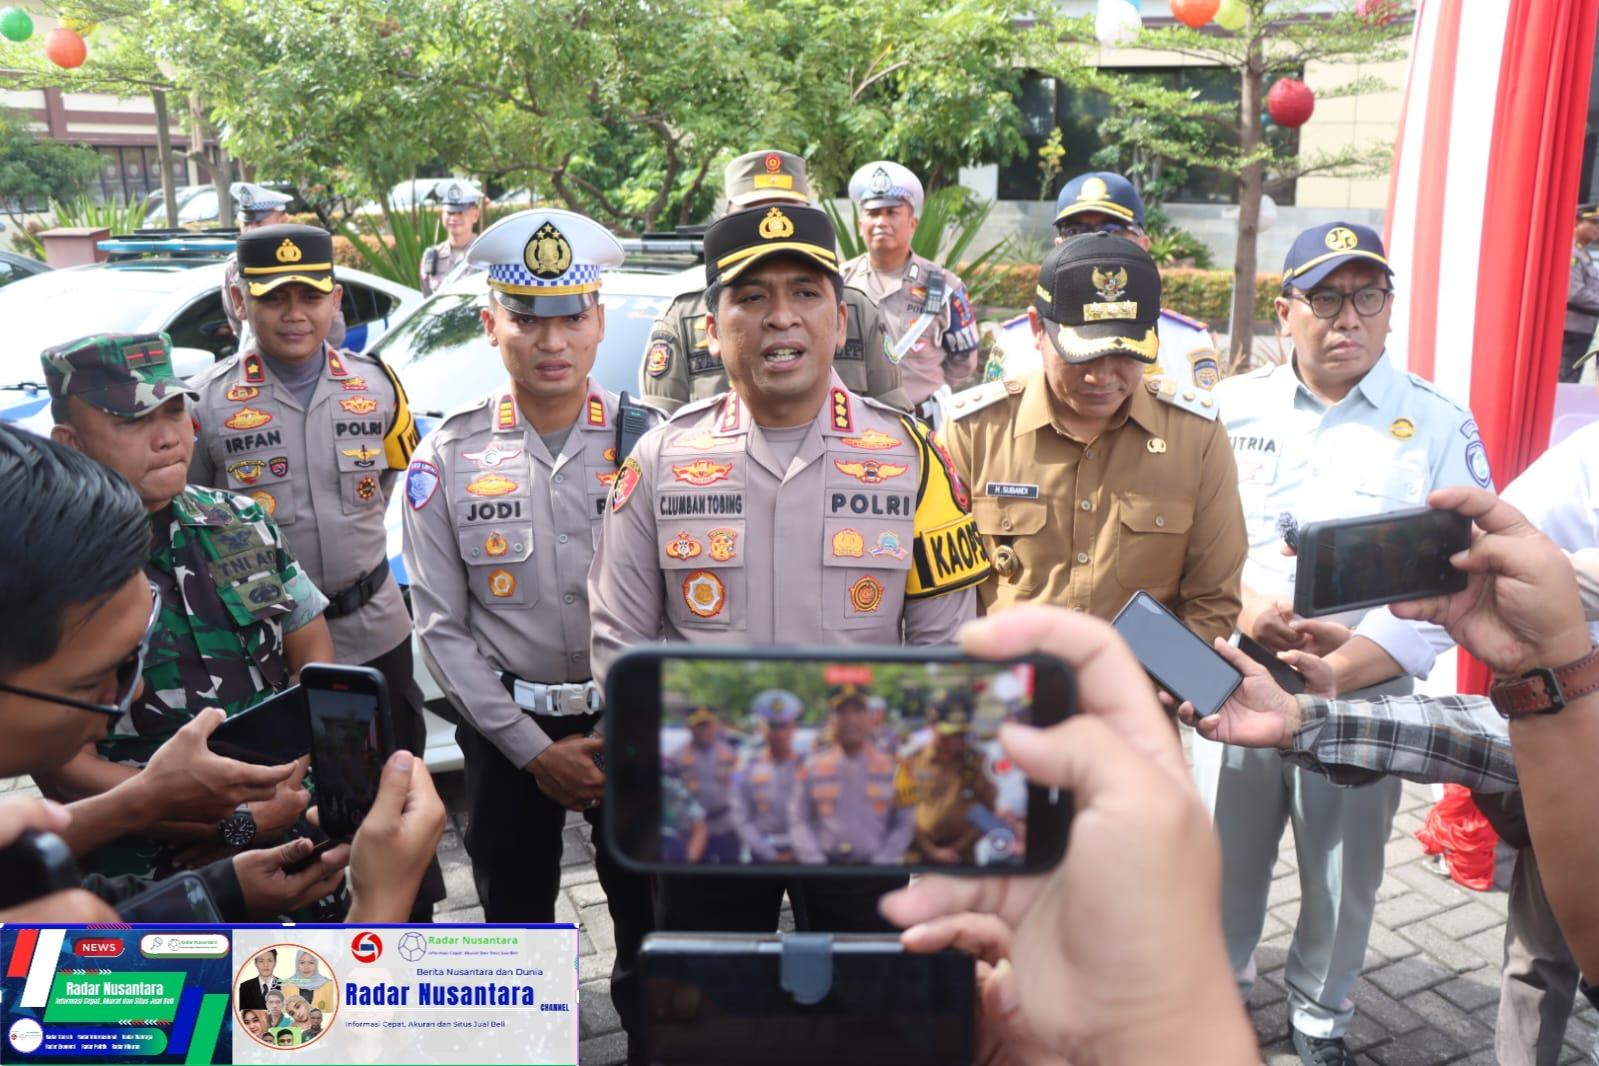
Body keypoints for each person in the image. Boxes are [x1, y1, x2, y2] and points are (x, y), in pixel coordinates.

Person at [590, 202, 990, 936]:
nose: (781, 318)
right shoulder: (660, 459)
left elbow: (945, 649)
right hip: (709, 803)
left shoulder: (912, 459)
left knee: (857, 1013)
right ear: (710, 331)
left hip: (858, 804)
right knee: (707, 1007)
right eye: (751, 297)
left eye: (805, 294)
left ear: (840, 322)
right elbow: (621, 640)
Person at [1189, 221, 1494, 1066]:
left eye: (1366, 296)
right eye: (1324, 297)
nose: (1345, 317)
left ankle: (1320, 1017)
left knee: (1340, 866)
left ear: (1389, 310)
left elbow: (1462, 576)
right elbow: (1194, 544)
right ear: (1285, 311)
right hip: (1235, 677)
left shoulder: (1435, 421)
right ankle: (1214, 1004)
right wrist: (1247, 607)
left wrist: (1343, 668)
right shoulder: (1227, 409)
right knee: (1220, 855)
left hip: (1363, 689)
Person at [401, 207, 657, 1057]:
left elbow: (688, 610)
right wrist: (529, 748)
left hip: (630, 729)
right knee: (510, 924)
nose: (551, 340)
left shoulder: (652, 446)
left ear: (598, 322)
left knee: (650, 918)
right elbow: (440, 628)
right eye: (527, 317)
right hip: (509, 738)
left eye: (570, 315)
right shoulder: (449, 456)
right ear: (491, 325)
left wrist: (614, 729)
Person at [189, 225, 442, 919]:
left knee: (400, 794)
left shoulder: (378, 385)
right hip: (269, 650)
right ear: (241, 302)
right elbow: (194, 518)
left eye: (310, 294)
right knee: (291, 810)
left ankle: (408, 936)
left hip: (375, 629)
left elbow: (393, 487)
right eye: (274, 297)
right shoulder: (207, 404)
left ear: (334, 299)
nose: (294, 312)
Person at [881, 605, 1258, 1066]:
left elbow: (985, 808)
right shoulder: (915, 759)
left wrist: (1160, 1025)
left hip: (1028, 807)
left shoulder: (982, 764)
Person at [36, 333, 334, 887]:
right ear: (71, 443)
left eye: (174, 410)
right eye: (133, 420)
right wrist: (222, 819)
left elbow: (311, 654)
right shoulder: (47, 571)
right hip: (148, 869)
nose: (166, 436)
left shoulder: (239, 519)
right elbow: (64, 769)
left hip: (291, 818)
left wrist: (290, 779)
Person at [944, 234, 1245, 645]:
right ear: (1037, 329)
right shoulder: (974, 433)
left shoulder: (1196, 437)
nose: (1100, 377)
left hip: (1143, 695)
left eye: (1125, 353)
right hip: (1005, 689)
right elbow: (944, 597)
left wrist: (1149, 695)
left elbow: (1212, 600)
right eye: (1081, 354)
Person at [641, 149, 907, 414]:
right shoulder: (684, 318)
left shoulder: (857, 310)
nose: (771, 222)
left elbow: (895, 425)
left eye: (788, 211)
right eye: (753, 211)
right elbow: (660, 429)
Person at [993, 171, 1222, 391]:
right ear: (1058, 247)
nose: (1095, 241)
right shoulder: (1017, 342)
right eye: (1075, 231)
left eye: (1112, 229)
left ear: (1143, 247)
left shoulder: (1186, 345)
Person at [840, 160, 980, 410]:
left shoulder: (945, 287)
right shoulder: (839, 283)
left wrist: (924, 390)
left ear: (912, 224)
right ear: (861, 226)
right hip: (855, 424)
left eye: (892, 212)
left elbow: (964, 362)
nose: (881, 222)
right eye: (872, 214)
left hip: (922, 424)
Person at [789, 685, 915, 866]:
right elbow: (798, 818)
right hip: (822, 874)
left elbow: (904, 823)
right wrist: (814, 861)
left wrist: (884, 861)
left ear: (870, 718)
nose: (850, 720)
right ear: (831, 720)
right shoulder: (811, 767)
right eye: (842, 713)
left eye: (858, 711)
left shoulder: (895, 767)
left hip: (879, 875)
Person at [222, 183, 346, 353]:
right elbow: (236, 319)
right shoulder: (234, 267)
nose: (251, 229)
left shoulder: (309, 260)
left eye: (259, 223)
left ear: (282, 219)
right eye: (246, 223)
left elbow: (334, 328)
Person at [900, 693, 998, 865]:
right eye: (949, 734)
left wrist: (958, 850)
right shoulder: (912, 760)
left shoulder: (977, 762)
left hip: (963, 860)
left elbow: (988, 810)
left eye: (962, 734)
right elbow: (902, 812)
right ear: (933, 726)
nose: (955, 741)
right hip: (918, 860)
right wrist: (931, 851)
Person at [730, 689, 804, 863]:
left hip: (803, 854)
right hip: (761, 855)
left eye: (784, 726)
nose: (779, 733)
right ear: (763, 728)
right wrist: (768, 854)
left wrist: (799, 850)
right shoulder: (745, 768)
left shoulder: (808, 766)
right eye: (773, 726)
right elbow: (739, 816)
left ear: (794, 728)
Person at [668, 706, 740, 863]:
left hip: (726, 824)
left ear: (715, 725)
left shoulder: (729, 753)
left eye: (708, 724)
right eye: (700, 725)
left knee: (733, 878)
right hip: (692, 828)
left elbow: (740, 788)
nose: (705, 730)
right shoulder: (678, 757)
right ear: (690, 726)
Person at [419, 182, 484, 296]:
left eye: (461, 213)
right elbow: (427, 301)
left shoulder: (485, 255)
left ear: (476, 216)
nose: (454, 218)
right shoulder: (431, 257)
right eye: (450, 212)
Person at [1562, 203, 1599, 383]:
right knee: (1566, 379)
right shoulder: (1572, 254)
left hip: (1582, 328)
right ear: (1576, 222)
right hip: (1571, 329)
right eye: (1593, 222)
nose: (1597, 228)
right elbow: (1575, 293)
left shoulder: (1583, 253)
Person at [284, 949, 335, 1014]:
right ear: (297, 964)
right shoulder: (287, 985)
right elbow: (285, 1015)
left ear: (316, 964)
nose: (306, 967)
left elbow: (331, 1014)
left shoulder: (328, 985)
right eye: (302, 962)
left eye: (311, 963)